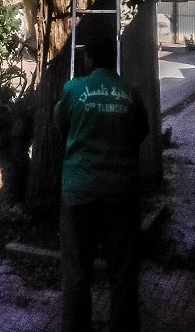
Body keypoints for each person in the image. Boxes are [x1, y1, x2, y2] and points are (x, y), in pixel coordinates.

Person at [54, 34, 149, 332]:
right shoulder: (131, 92)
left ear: (89, 59)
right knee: (123, 273)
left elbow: (61, 126)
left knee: (76, 272)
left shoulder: (73, 89)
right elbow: (141, 132)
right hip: (121, 192)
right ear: (114, 58)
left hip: (79, 191)